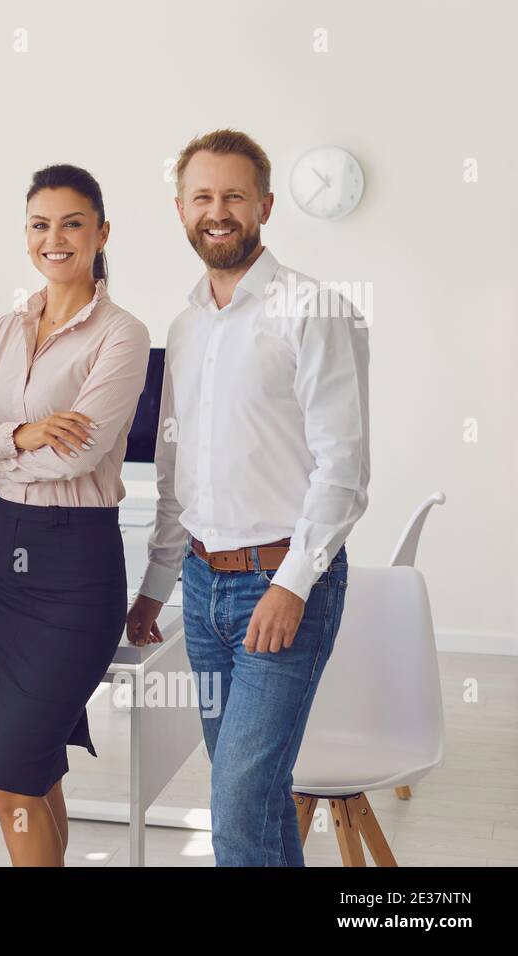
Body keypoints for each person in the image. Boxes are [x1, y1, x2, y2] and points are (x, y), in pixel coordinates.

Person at [127, 129, 370, 866]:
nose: (218, 211)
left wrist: (293, 583)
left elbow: (345, 468)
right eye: (203, 197)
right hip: (202, 588)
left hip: (282, 586)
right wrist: (155, 586)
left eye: (234, 195)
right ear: (180, 210)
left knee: (236, 800)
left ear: (264, 205)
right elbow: (177, 473)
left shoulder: (312, 310)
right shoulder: (184, 326)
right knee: (252, 796)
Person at [0, 164, 151, 866]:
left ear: (101, 233)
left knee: (9, 782)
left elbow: (76, 458)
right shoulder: (5, 327)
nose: (53, 238)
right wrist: (24, 434)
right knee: (35, 773)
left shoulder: (122, 333)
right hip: (4, 559)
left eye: (71, 223)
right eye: (39, 224)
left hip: (76, 565)